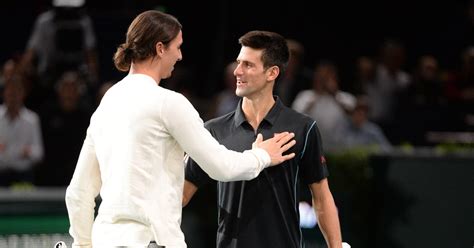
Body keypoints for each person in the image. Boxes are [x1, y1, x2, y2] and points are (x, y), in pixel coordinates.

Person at [65, 10, 296, 248]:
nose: (180, 55)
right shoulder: (169, 103)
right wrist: (262, 156)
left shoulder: (107, 103)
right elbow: (221, 167)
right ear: (160, 48)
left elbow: (78, 193)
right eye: (177, 46)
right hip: (151, 241)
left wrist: (83, 244)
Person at [183, 30, 343, 248]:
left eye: (248, 65)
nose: (237, 71)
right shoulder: (214, 130)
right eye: (238, 63)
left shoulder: (302, 128)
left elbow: (322, 198)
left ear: (272, 73)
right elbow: (180, 195)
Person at [0, 76, 44, 186]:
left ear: (22, 94)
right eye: (10, 93)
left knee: (24, 202)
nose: (13, 97)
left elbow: (38, 153)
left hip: (23, 177)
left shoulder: (32, 119)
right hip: (1, 175)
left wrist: (27, 151)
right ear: (4, 94)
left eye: (16, 92)